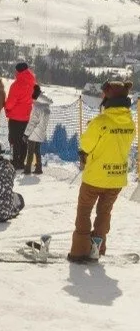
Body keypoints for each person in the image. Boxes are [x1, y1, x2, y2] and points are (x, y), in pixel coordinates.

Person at [71, 81, 134, 262]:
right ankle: (97, 247)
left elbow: (86, 144)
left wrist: (92, 127)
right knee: (104, 213)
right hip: (117, 178)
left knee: (84, 211)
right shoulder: (130, 122)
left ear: (108, 97)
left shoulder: (101, 121)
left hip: (95, 177)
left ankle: (79, 251)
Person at [4, 62, 36, 170]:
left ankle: (14, 161)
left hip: (15, 118)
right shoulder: (32, 83)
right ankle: (22, 161)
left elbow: (10, 103)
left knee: (13, 140)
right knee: (23, 140)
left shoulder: (16, 85)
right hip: (26, 117)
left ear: (18, 71)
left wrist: (6, 108)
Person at [24, 85, 50, 175]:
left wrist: (26, 134)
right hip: (42, 131)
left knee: (30, 151)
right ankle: (39, 168)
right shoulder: (46, 106)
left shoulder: (37, 107)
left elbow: (32, 122)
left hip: (34, 132)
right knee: (37, 151)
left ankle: (27, 169)